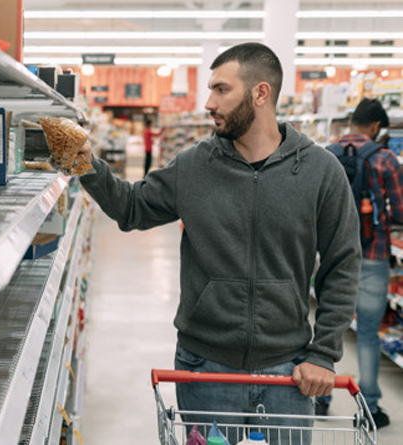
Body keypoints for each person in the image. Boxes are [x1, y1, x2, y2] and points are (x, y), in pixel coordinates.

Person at [75, 42, 361, 445]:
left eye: (221, 90)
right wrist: (84, 163)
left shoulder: (320, 171)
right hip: (204, 366)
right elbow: (133, 208)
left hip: (288, 371)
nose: (209, 102)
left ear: (260, 93)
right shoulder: (194, 165)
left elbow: (343, 262)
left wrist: (324, 353)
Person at [315, 98, 403, 428]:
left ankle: (321, 398)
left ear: (352, 121)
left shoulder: (324, 155)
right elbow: (400, 210)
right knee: (367, 333)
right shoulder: (386, 160)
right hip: (374, 256)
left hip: (333, 258)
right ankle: (370, 408)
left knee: (329, 328)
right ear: (377, 127)